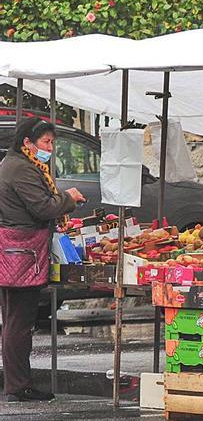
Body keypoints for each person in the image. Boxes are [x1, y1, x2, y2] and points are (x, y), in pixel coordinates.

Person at [0, 118, 84, 403]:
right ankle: (17, 386)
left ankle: (17, 384)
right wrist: (68, 197)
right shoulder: (20, 169)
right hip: (21, 252)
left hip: (20, 251)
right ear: (27, 142)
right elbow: (44, 207)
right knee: (18, 321)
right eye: (45, 143)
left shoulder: (19, 164)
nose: (49, 148)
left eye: (51, 142)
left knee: (17, 319)